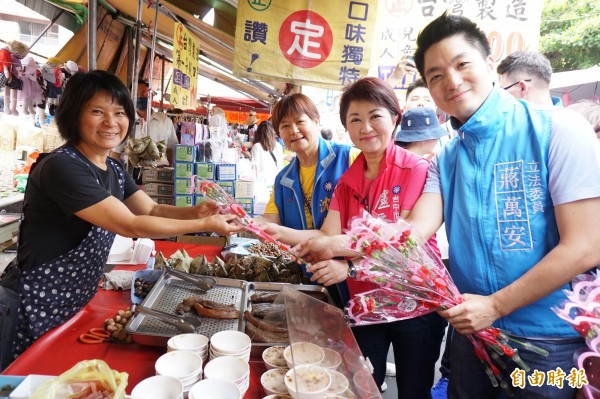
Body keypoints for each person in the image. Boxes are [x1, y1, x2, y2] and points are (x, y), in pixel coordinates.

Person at [407, 12, 600, 399]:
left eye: (462, 64)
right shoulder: (447, 158)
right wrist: (344, 245)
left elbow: (585, 245)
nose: (452, 80)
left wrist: (495, 305)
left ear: (489, 62)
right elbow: (412, 231)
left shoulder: (559, 130)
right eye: (436, 76)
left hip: (552, 341)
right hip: (472, 331)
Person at [0, 70, 242, 371]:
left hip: (73, 299)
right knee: (24, 381)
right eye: (97, 112)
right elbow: (130, 224)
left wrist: (195, 212)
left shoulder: (112, 168)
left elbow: (150, 211)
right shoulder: (62, 168)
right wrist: (206, 227)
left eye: (119, 113)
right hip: (33, 300)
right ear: (74, 115)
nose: (111, 122)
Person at [275, 78, 446, 397]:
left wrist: (349, 268)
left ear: (395, 118)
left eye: (375, 116)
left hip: (416, 307)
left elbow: (404, 241)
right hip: (366, 306)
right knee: (362, 386)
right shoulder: (346, 183)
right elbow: (327, 236)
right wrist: (274, 231)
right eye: (355, 119)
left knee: (414, 391)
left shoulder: (415, 169)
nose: (366, 127)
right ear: (346, 127)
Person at [110, 80, 179, 167]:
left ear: (150, 95)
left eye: (143, 94)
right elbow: (116, 152)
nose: (140, 97)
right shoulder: (125, 121)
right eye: (136, 95)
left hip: (159, 172)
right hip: (132, 172)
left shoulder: (165, 121)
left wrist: (171, 168)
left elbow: (171, 147)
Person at [497, 50, 561, 108]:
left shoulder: (509, 118)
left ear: (523, 88)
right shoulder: (567, 118)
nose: (501, 96)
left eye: (503, 90)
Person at [250, 120, 284, 188]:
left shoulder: (257, 146)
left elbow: (254, 169)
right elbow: (280, 167)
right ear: (272, 133)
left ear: (258, 133)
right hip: (276, 185)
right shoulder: (278, 146)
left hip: (262, 186)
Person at [0, 40, 29, 116]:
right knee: (7, 91)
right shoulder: (7, 54)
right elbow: (5, 65)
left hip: (14, 77)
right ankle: (7, 107)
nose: (21, 57)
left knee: (13, 92)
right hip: (8, 75)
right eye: (20, 55)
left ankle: (12, 108)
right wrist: (8, 75)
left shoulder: (11, 55)